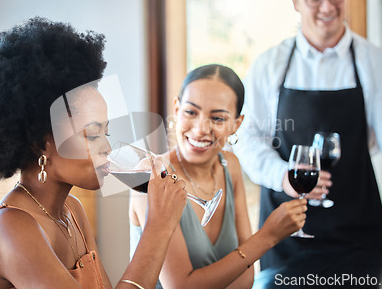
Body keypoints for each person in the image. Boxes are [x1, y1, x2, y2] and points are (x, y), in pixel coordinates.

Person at [0, 17, 187, 289]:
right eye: (92, 134)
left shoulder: (73, 212)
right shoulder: (9, 228)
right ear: (40, 143)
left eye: (106, 133)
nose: (106, 146)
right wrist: (158, 227)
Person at [233, 0, 382, 270]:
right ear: (295, 2)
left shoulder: (377, 65)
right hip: (284, 235)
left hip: (359, 234)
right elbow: (246, 139)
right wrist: (281, 175)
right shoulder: (269, 65)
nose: (327, 7)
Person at [129, 64, 307, 288]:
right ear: (176, 109)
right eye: (191, 112)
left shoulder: (229, 166)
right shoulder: (151, 177)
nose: (201, 128)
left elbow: (246, 279)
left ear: (236, 124)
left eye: (218, 118)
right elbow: (181, 286)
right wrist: (267, 236)